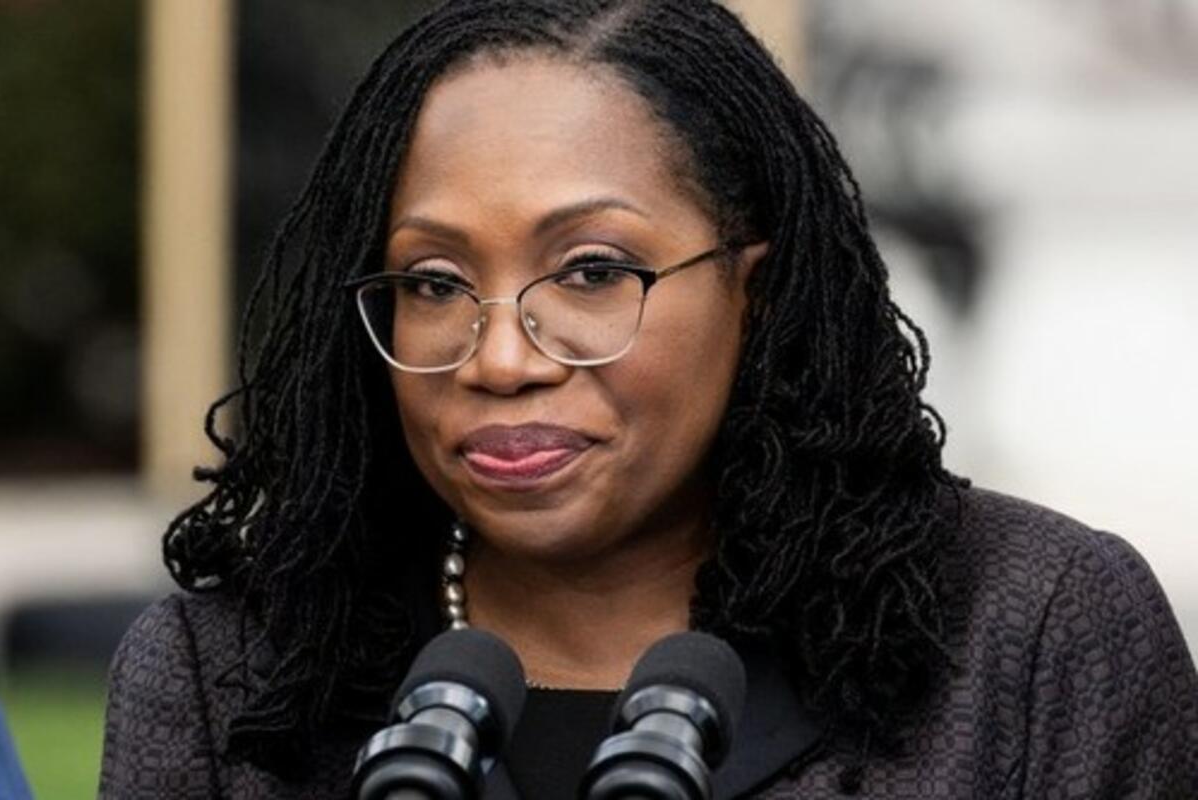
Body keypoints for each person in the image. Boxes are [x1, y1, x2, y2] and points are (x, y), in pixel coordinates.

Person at [99, 1, 1198, 798]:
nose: (501, 359)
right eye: (433, 282)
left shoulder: (1032, 634)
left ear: (755, 292)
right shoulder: (228, 680)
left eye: (591, 270)